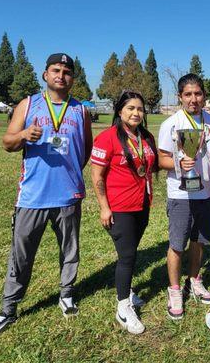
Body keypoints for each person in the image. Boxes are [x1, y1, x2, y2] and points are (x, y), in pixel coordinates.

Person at [0, 53, 93, 343]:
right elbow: (7, 142)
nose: (61, 75)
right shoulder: (28, 104)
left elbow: (86, 149)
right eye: (56, 70)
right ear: (45, 74)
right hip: (32, 197)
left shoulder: (80, 111)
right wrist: (24, 135)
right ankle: (9, 308)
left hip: (68, 195)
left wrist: (70, 175)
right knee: (21, 256)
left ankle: (66, 295)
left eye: (67, 72)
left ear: (72, 78)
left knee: (70, 251)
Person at [90, 90, 158, 334]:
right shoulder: (107, 138)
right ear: (120, 111)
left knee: (131, 252)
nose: (136, 113)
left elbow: (155, 165)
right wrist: (104, 207)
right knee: (127, 256)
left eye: (140, 108)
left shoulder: (147, 137)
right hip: (119, 207)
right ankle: (123, 306)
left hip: (142, 204)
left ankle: (126, 290)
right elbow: (97, 175)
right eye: (130, 108)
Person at [158, 73, 210, 319]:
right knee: (177, 244)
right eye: (188, 94)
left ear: (204, 95)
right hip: (180, 194)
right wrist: (177, 164)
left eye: (197, 94)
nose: (193, 99)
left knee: (199, 241)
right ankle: (174, 289)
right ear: (180, 97)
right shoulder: (170, 124)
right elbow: (161, 158)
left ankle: (194, 280)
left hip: (205, 192)